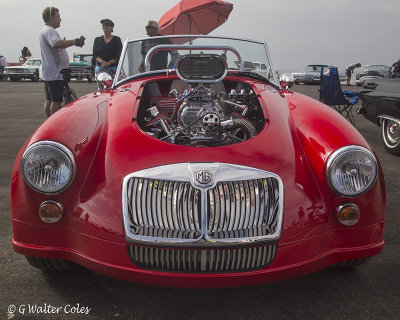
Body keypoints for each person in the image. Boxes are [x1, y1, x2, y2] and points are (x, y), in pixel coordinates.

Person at [39, 7, 85, 117]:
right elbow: (56, 44)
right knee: (56, 100)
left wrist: (64, 42)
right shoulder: (50, 30)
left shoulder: (45, 30)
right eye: (58, 17)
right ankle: (54, 123)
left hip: (49, 72)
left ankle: (48, 120)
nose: (60, 19)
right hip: (55, 73)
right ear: (51, 17)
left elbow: (58, 44)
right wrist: (75, 41)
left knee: (49, 99)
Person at [92, 19, 123, 84]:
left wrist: (109, 63)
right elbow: (95, 55)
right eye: (103, 25)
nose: (104, 26)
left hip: (113, 68)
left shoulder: (117, 39)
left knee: (114, 87)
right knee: (102, 88)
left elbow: (119, 55)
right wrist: (103, 62)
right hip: (100, 68)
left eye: (107, 25)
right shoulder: (97, 39)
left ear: (112, 27)